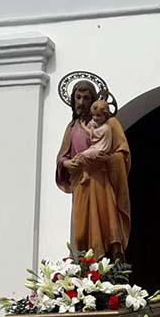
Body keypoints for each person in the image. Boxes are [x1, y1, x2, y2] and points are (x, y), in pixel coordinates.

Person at [55, 80, 131, 261]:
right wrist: (66, 164)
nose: (81, 102)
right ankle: (82, 267)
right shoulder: (72, 127)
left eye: (86, 98)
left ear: (94, 100)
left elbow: (123, 154)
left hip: (101, 184)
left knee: (105, 230)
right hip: (81, 185)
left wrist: (106, 159)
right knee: (81, 234)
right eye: (78, 98)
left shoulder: (110, 124)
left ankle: (105, 271)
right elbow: (62, 156)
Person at [72, 100, 114, 186]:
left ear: (105, 115)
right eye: (93, 115)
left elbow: (92, 133)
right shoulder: (74, 125)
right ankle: (85, 174)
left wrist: (84, 127)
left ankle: (86, 173)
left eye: (98, 115)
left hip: (100, 150)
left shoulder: (106, 127)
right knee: (81, 157)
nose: (95, 118)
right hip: (95, 148)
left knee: (83, 155)